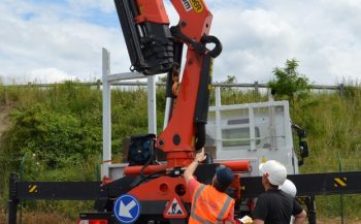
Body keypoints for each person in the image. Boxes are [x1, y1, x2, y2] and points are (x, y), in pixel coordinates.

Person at [184, 148, 235, 224]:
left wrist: (197, 160)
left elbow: (187, 174)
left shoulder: (200, 189)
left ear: (215, 179)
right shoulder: (229, 202)